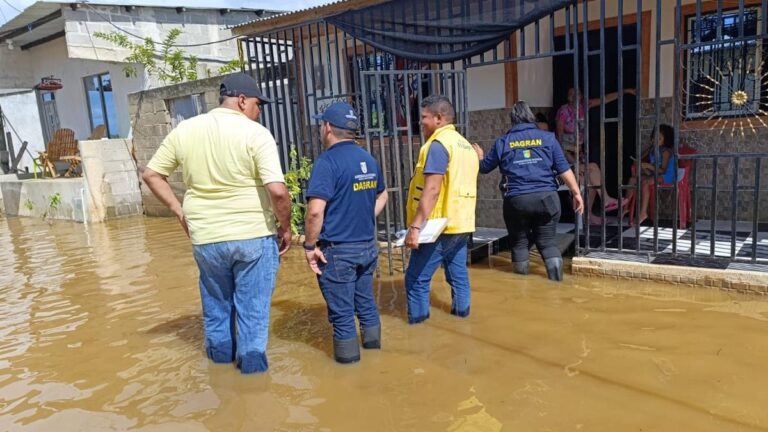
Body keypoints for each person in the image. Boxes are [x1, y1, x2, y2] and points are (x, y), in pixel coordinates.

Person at [142, 73, 292, 374]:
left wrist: (179, 211)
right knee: (253, 312)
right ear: (241, 101)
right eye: (257, 104)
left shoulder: (185, 130)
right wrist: (285, 227)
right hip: (252, 236)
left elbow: (151, 174)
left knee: (217, 309)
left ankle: (220, 382)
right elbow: (277, 191)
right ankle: (253, 386)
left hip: (206, 237)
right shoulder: (256, 133)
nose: (259, 110)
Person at [303, 102, 388, 364]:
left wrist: (309, 246)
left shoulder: (327, 162)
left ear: (327, 127)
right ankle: (375, 358)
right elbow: (382, 194)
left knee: (341, 315)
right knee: (366, 305)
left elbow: (315, 212)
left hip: (337, 251)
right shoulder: (368, 159)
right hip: (367, 247)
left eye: (321, 124)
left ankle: (351, 375)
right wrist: (363, 216)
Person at [472, 101, 584, 281]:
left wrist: (479, 157)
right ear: (531, 117)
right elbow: (564, 169)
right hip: (547, 199)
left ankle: (522, 289)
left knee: (519, 243)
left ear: (513, 120)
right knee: (547, 242)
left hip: (516, 202)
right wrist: (576, 193)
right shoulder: (548, 138)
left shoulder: (503, 142)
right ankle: (557, 284)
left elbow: (484, 168)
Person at [403, 95, 479, 324]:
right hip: (462, 224)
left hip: (438, 226)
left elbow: (432, 189)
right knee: (458, 277)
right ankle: (462, 322)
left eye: (424, 117)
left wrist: (415, 226)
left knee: (415, 279)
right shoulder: (465, 145)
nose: (421, 123)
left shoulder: (438, 146)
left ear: (439, 118)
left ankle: (419, 331)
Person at [555, 87, 627, 224]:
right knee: (593, 168)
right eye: (571, 94)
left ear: (581, 96)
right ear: (567, 97)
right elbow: (559, 141)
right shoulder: (563, 111)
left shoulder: (583, 106)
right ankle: (605, 200)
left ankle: (588, 215)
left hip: (578, 155)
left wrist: (625, 91)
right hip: (565, 159)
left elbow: (604, 99)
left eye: (577, 93)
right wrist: (573, 161)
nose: (574, 96)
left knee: (592, 180)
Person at [623, 124, 677, 226]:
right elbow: (639, 158)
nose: (655, 139)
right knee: (632, 179)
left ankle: (643, 213)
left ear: (666, 139)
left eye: (659, 138)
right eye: (654, 137)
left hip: (666, 176)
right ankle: (626, 207)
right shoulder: (652, 149)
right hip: (655, 174)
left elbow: (662, 170)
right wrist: (641, 162)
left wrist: (648, 166)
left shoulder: (666, 152)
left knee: (645, 182)